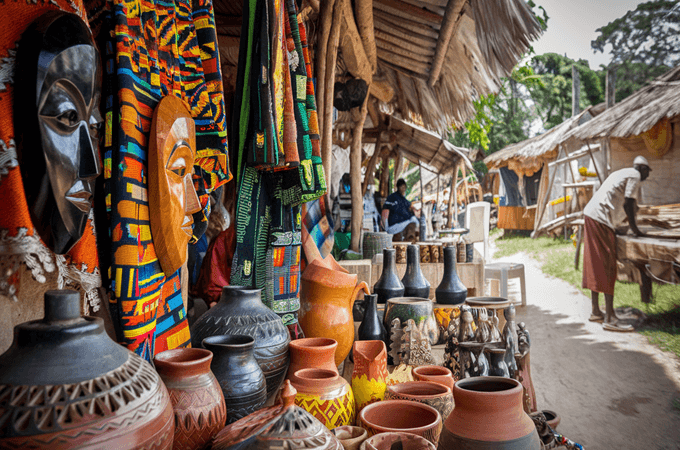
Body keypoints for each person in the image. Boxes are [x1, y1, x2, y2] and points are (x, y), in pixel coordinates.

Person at [582, 155, 651, 332]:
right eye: (647, 172)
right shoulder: (635, 176)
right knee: (608, 266)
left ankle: (596, 311)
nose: (647, 176)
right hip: (600, 220)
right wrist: (635, 230)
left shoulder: (622, 173)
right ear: (642, 169)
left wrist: (622, 225)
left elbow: (625, 204)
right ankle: (610, 318)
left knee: (595, 264)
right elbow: (628, 204)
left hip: (591, 215)